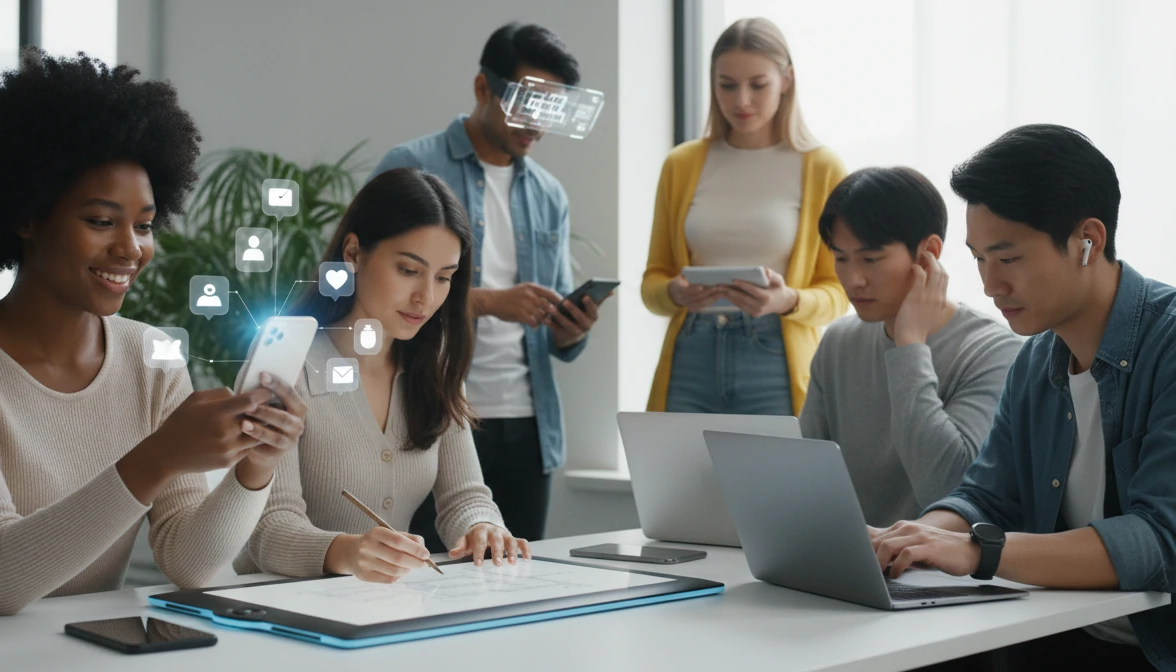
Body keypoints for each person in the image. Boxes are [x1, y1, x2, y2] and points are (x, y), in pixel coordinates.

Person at [870, 124, 1176, 670]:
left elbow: (1164, 543)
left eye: (1008, 259)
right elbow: (987, 497)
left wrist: (976, 552)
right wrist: (909, 539)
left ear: (1089, 239)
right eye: (979, 259)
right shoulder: (1037, 360)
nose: (990, 285)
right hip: (1069, 641)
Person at [0, 50, 300, 625]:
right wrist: (158, 456)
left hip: (80, 643)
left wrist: (255, 467)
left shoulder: (152, 359)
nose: (131, 248)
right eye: (101, 221)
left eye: (144, 225)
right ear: (27, 216)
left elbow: (189, 564)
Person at [370, 22, 606, 550]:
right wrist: (489, 303)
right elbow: (370, 292)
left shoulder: (549, 193)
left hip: (527, 421)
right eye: (528, 104)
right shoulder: (413, 167)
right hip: (432, 408)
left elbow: (555, 329)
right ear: (483, 88)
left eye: (551, 110)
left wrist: (571, 328)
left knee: (515, 574)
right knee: (422, 575)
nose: (537, 124)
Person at [234, 167, 531, 583]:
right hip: (278, 603)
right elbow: (266, 529)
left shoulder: (435, 364)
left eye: (443, 278)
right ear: (354, 253)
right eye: (408, 270)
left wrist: (483, 526)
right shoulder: (285, 361)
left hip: (382, 604)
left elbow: (464, 497)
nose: (426, 297)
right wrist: (347, 552)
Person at [642, 17, 848, 416]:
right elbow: (653, 280)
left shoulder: (822, 168)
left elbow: (840, 293)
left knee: (780, 462)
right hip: (691, 355)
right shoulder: (681, 165)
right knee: (674, 460)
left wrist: (788, 300)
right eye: (727, 85)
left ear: (786, 80)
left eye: (757, 85)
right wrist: (675, 293)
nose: (741, 101)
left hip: (775, 360)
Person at [801, 166, 1021, 527]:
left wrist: (909, 346)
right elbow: (806, 477)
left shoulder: (994, 352)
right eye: (841, 258)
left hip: (937, 561)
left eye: (871, 259)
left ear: (927, 253)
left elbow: (947, 489)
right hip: (844, 554)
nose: (853, 280)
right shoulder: (838, 342)